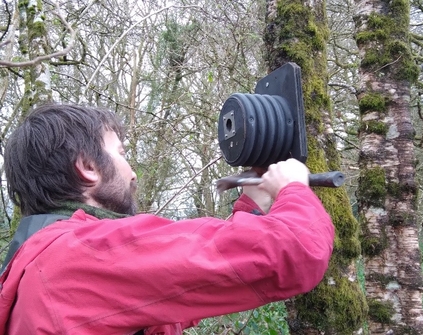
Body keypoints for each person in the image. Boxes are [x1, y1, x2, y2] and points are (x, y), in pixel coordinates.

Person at [0, 103, 335, 335]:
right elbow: (293, 250)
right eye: (121, 153)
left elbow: (178, 294)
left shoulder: (39, 260)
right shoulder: (84, 253)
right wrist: (292, 188)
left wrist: (254, 204)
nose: (132, 173)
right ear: (88, 168)